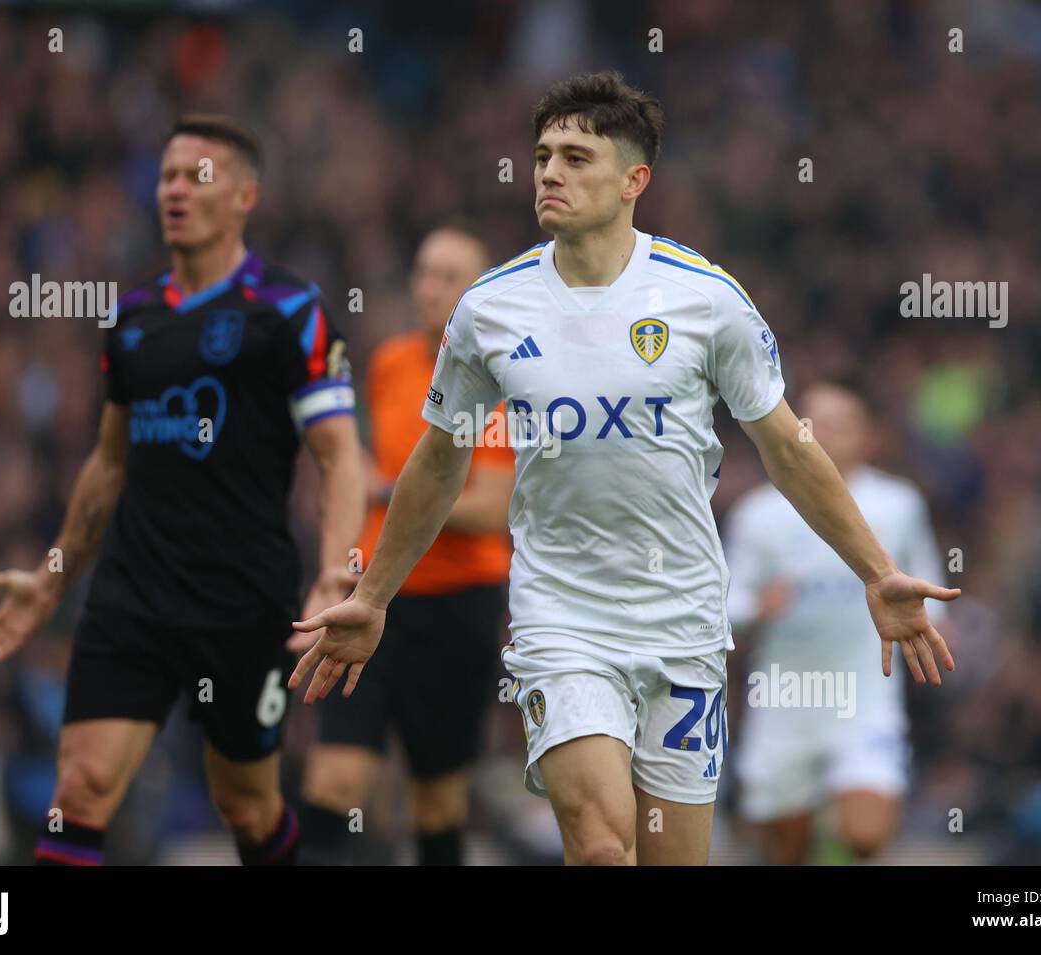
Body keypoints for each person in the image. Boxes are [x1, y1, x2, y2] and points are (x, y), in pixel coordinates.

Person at [289, 71, 957, 866]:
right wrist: (373, 595)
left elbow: (787, 447)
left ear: (635, 179)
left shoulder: (707, 300)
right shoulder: (491, 310)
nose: (549, 172)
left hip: (681, 619)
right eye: (542, 156)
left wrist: (877, 572)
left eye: (576, 157)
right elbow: (439, 463)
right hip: (560, 616)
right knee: (604, 844)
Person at [0, 114, 365, 866]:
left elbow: (340, 455)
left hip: (243, 598)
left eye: (197, 176)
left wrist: (335, 572)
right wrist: (54, 578)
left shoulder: (288, 310)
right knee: (80, 788)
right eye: (167, 175)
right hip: (132, 594)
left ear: (245, 195)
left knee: (246, 806)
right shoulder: (133, 317)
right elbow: (108, 463)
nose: (175, 189)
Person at [295, 226, 514, 866]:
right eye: (424, 272)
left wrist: (386, 491)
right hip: (375, 599)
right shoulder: (391, 362)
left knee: (436, 803)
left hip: (456, 606)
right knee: (335, 780)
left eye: (450, 277)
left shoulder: (496, 378)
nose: (429, 288)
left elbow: (492, 507)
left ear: (479, 294)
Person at [726, 380, 949, 864]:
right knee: (784, 848)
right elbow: (724, 607)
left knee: (865, 835)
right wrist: (755, 607)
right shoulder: (758, 514)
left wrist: (931, 623)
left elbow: (928, 589)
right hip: (784, 701)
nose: (820, 433)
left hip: (865, 695)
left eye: (837, 424)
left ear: (869, 436)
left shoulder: (898, 505)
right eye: (810, 422)